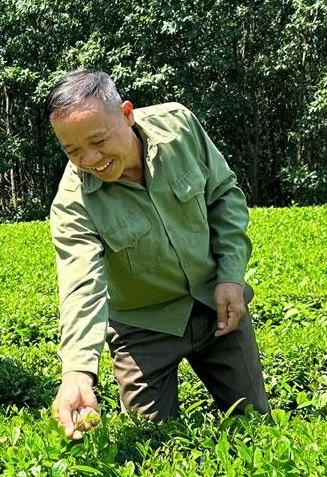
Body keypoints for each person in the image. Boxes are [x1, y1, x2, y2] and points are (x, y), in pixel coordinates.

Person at [47, 69, 269, 441]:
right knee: (150, 445)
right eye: (72, 151)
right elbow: (81, 287)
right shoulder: (73, 204)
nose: (90, 158)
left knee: (256, 427)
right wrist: (77, 373)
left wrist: (231, 275)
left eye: (98, 140)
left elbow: (224, 195)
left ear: (127, 114)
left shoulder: (179, 127)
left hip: (215, 305)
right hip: (143, 330)